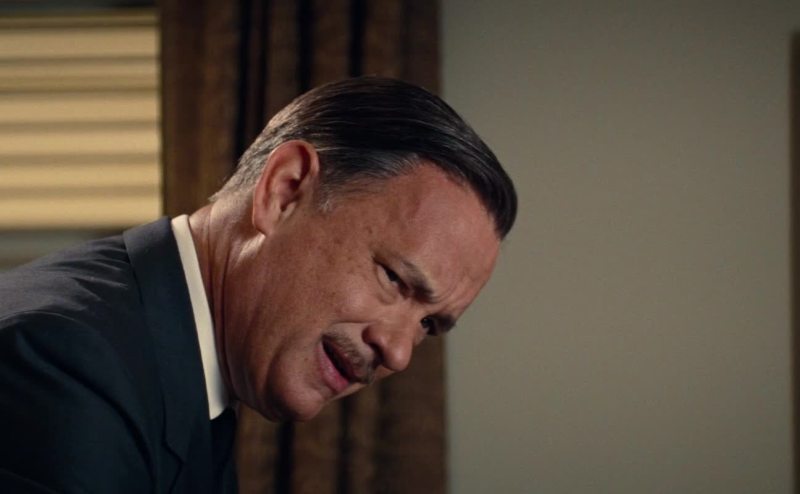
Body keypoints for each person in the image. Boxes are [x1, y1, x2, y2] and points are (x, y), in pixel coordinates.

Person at [0, 76, 517, 493]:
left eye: (429, 324)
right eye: (394, 278)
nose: (399, 353)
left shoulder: (187, 361)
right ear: (284, 193)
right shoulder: (66, 368)